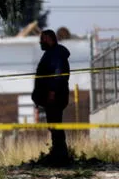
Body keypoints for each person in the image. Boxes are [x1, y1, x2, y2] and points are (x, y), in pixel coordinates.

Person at [32, 29, 71, 164]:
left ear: (49, 38)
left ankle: (61, 155)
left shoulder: (57, 54)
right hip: (51, 98)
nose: (40, 42)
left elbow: (58, 75)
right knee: (53, 125)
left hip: (55, 97)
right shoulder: (50, 54)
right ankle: (58, 152)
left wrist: (52, 92)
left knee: (55, 125)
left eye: (42, 39)